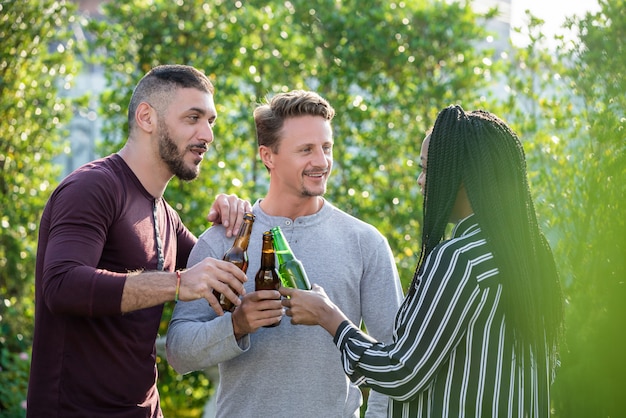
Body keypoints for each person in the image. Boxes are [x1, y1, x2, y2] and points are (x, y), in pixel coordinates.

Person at [280, 105, 565, 417]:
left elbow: (401, 373)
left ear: (462, 176)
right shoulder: (531, 256)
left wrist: (329, 316)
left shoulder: (459, 259)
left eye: (428, 169)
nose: (420, 181)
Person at [27, 64, 252, 418]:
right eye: (193, 117)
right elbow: (61, 285)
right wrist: (178, 283)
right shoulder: (92, 188)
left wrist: (235, 221)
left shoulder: (166, 216)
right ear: (147, 117)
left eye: (211, 121)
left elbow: (223, 281)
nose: (207, 134)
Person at [166, 90, 404, 417]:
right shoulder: (224, 241)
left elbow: (395, 357)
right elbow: (179, 351)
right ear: (268, 156)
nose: (321, 161)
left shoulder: (365, 242)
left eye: (326, 147)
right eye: (306, 149)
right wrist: (236, 325)